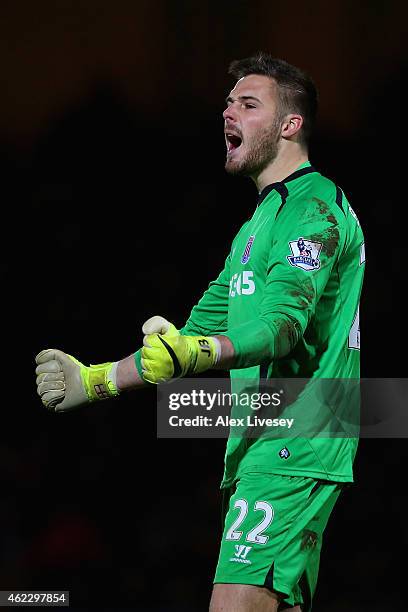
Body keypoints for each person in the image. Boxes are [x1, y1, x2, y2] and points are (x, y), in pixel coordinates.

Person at [35, 53, 365, 611]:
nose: (227, 111)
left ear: (290, 125)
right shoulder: (257, 226)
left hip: (295, 439)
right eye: (228, 102)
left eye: (248, 103)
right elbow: (187, 341)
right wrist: (96, 380)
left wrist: (202, 349)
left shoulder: (315, 208)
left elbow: (282, 326)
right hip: (265, 444)